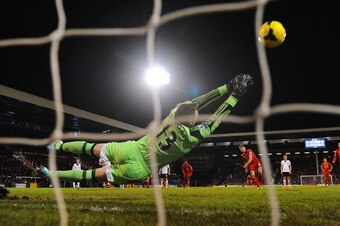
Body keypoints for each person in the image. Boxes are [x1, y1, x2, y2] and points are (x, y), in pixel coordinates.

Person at [34, 74, 254, 185]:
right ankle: (53, 175)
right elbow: (216, 118)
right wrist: (234, 96)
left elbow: (194, 103)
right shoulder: (193, 135)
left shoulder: (172, 115)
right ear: (191, 119)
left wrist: (225, 86)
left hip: (130, 149)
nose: (197, 111)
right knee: (90, 174)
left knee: (90, 147)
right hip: (139, 169)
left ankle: (60, 145)